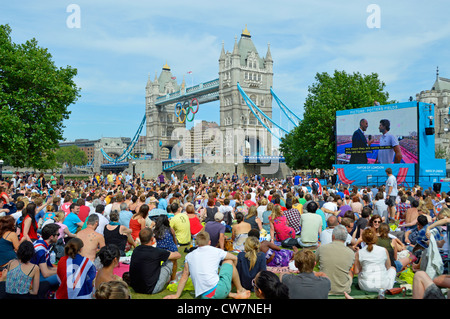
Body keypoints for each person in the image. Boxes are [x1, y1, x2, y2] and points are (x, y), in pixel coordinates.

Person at [129, 227, 181, 294]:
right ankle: (173, 280)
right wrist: (168, 252)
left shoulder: (136, 250)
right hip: (152, 288)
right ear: (152, 238)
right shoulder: (156, 252)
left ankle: (167, 278)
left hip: (136, 288)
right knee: (171, 260)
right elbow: (178, 255)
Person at [315, 225, 355, 295]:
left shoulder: (322, 248)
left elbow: (312, 263)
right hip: (343, 290)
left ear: (333, 236)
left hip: (324, 288)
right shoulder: (351, 253)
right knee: (350, 272)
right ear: (345, 238)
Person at [353, 228, 397, 292]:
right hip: (383, 286)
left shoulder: (359, 252)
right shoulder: (383, 250)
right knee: (392, 269)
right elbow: (388, 267)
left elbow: (356, 271)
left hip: (365, 286)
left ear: (363, 239)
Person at [31, 223, 60, 290]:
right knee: (66, 276)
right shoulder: (41, 249)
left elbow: (47, 267)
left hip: (36, 273)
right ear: (51, 237)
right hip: (34, 279)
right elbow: (46, 273)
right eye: (57, 235)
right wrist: (62, 270)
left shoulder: (40, 242)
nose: (58, 237)